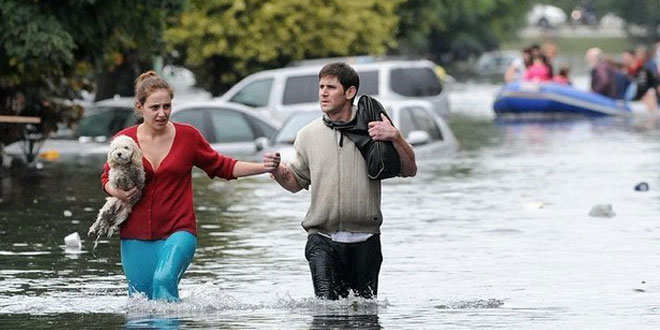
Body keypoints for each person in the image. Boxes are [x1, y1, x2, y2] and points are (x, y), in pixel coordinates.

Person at [101, 71, 281, 302]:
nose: (162, 113)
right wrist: (116, 192)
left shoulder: (188, 137)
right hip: (135, 234)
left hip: (179, 230)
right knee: (141, 303)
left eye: (167, 106)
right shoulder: (125, 140)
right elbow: (107, 177)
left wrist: (264, 167)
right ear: (140, 107)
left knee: (163, 281)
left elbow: (222, 166)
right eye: (155, 107)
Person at [270, 62, 417, 300]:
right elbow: (295, 182)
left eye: (331, 87)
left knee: (365, 317)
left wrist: (397, 137)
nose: (323, 93)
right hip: (321, 238)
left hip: (366, 240)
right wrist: (278, 172)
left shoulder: (376, 130)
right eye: (321, 87)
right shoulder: (308, 134)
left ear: (350, 92)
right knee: (327, 313)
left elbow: (410, 170)